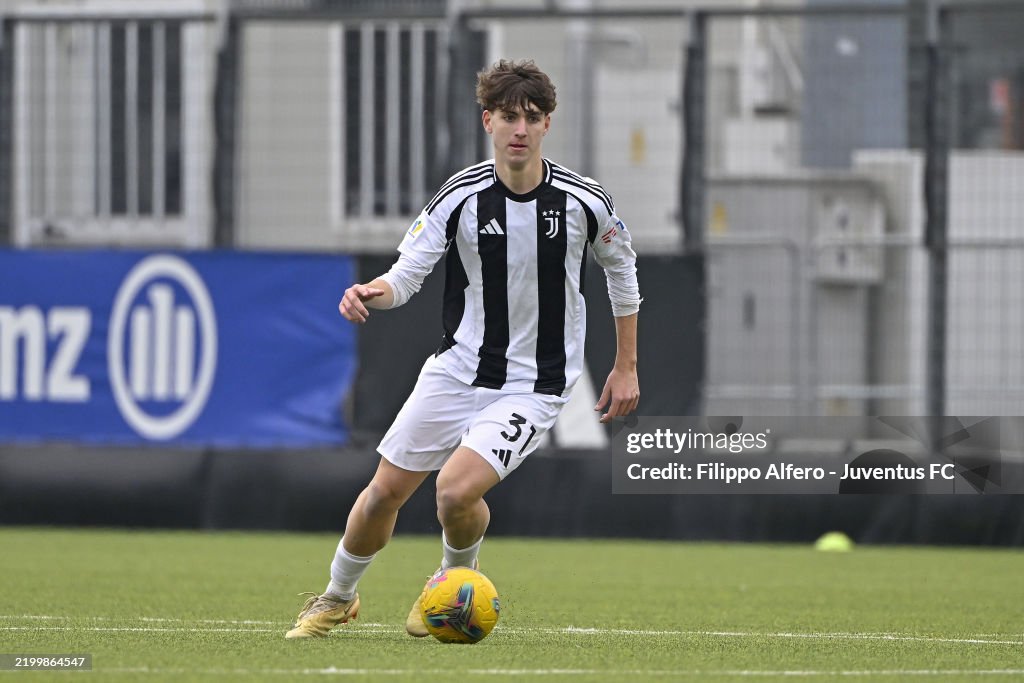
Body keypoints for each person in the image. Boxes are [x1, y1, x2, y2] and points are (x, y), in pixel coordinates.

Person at [285, 59, 641, 639]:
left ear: (548, 124)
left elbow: (622, 274)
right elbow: (407, 275)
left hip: (536, 384)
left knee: (454, 491)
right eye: (508, 117)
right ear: (488, 122)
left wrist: (625, 366)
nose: (518, 130)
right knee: (383, 495)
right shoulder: (461, 197)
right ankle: (337, 597)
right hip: (457, 371)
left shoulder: (584, 202)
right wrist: (371, 292)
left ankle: (448, 591)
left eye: (530, 118)